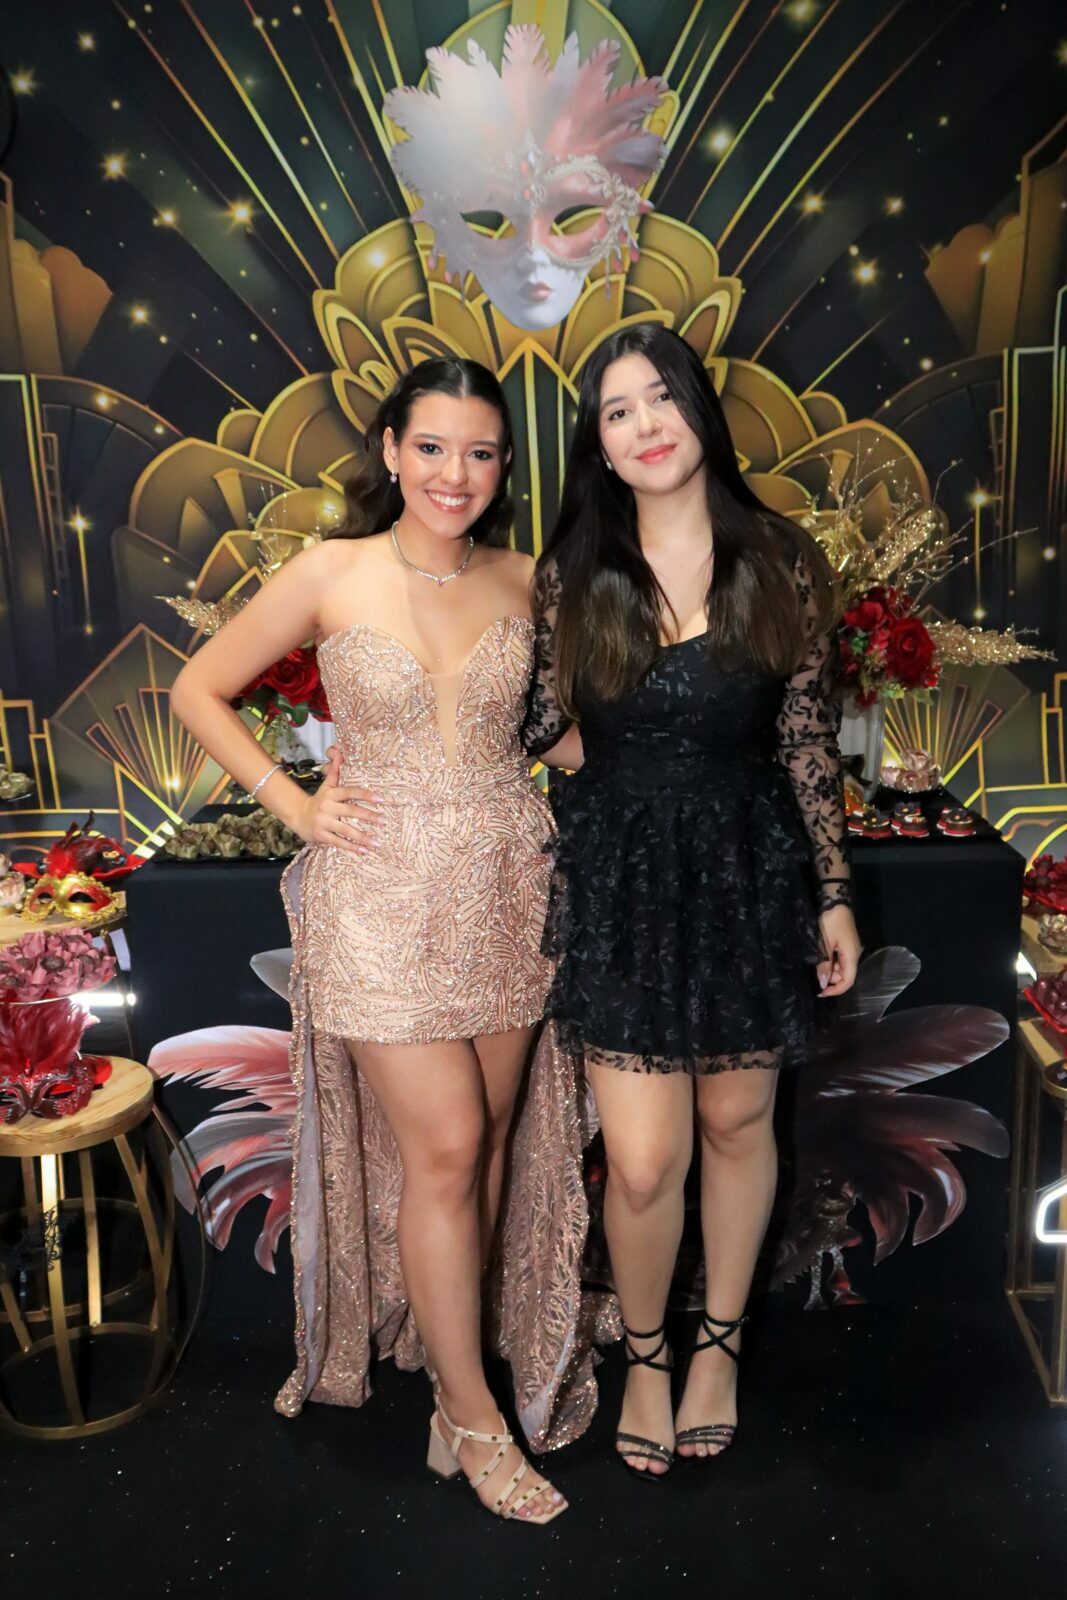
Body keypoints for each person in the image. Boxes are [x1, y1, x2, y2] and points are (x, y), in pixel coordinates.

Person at [172, 358, 580, 1525]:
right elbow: (198, 690)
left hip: (507, 887)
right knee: (445, 1143)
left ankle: (455, 1387)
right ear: (392, 450)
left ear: (502, 466)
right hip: (378, 893)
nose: (456, 473)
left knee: (483, 1148)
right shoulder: (330, 570)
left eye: (481, 452)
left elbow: (560, 737)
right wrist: (292, 804)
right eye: (432, 447)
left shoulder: (528, 579)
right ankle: (475, 1417)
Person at [522, 322, 861, 1479]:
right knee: (642, 1159)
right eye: (616, 411)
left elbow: (805, 740)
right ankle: (646, 1356)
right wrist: (621, 774)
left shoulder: (779, 558)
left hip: (745, 876)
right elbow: (533, 723)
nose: (643, 425)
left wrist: (831, 892)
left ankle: (716, 1347)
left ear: (698, 409)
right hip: (623, 886)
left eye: (659, 397)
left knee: (735, 1126)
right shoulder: (572, 571)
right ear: (599, 445)